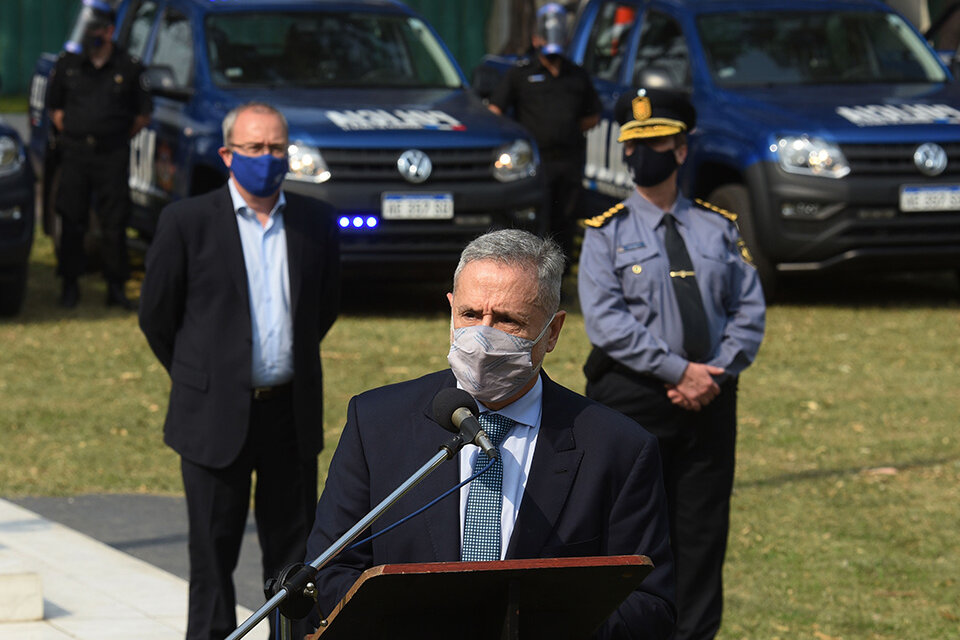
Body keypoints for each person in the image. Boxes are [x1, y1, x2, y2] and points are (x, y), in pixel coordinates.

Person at [305, 229, 676, 639]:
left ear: (552, 332)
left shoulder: (616, 448)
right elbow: (332, 570)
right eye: (469, 315)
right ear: (450, 309)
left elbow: (649, 607)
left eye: (507, 321)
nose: (482, 336)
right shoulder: (376, 423)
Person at [138, 102, 340, 640]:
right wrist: (201, 374)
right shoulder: (187, 222)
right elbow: (157, 316)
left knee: (294, 566)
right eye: (255, 147)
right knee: (211, 559)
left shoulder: (315, 223)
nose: (267, 158)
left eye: (277, 147)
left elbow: (324, 307)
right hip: (211, 418)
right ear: (228, 154)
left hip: (289, 416)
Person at [577, 88, 766, 640]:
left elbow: (748, 308)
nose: (640, 155)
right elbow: (606, 321)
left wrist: (715, 372)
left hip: (709, 398)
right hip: (633, 398)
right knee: (630, 535)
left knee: (704, 536)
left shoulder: (719, 227)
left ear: (681, 150)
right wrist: (677, 370)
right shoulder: (604, 232)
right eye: (631, 144)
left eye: (654, 143)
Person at [45, 2, 152, 309]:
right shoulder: (69, 64)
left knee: (114, 222)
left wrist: (113, 136)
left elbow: (142, 115)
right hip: (76, 153)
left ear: (109, 31)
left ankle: (115, 287)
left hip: (112, 154)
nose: (90, 35)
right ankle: (69, 283)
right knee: (72, 217)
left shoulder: (128, 66)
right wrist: (80, 136)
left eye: (96, 30)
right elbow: (57, 110)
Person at [488, 3, 601, 259]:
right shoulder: (521, 74)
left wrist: (568, 130)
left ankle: (561, 279)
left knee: (566, 222)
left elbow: (592, 116)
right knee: (534, 222)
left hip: (569, 162)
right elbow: (495, 109)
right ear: (535, 39)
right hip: (536, 164)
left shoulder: (577, 76)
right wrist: (518, 138)